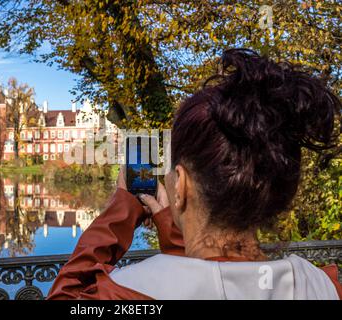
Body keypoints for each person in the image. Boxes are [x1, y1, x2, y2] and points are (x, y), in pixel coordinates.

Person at [47, 49, 341, 300]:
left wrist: (122, 209)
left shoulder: (131, 292)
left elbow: (66, 294)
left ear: (182, 183)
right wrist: (176, 219)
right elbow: (213, 277)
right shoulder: (321, 286)